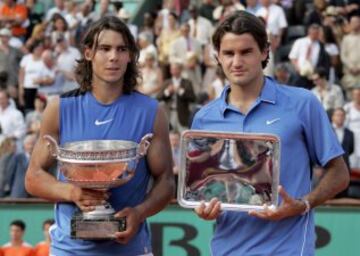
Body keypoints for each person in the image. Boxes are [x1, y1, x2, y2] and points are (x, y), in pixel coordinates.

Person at [192, 11, 349, 255]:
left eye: (246, 52)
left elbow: (339, 174)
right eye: (228, 53)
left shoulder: (303, 103)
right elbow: (204, 190)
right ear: (217, 56)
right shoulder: (203, 118)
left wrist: (302, 205)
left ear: (264, 52)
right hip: (226, 249)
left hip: (289, 249)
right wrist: (203, 208)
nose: (236, 62)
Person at [25, 15, 174, 256]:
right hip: (69, 249)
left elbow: (166, 181)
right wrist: (73, 193)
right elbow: (33, 177)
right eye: (104, 49)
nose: (113, 57)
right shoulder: (59, 108)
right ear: (88, 53)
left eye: (121, 49)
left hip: (131, 249)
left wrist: (139, 212)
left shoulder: (151, 111)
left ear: (130, 56)